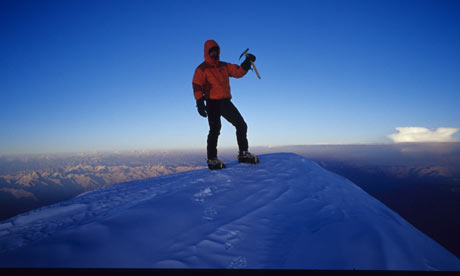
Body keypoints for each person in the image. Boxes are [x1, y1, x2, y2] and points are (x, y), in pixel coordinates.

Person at [192, 40, 258, 170]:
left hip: (225, 102)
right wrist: (199, 102)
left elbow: (237, 72)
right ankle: (212, 159)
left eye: (216, 50)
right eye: (212, 51)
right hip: (211, 102)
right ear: (207, 52)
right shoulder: (201, 69)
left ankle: (243, 154)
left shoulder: (224, 66)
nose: (214, 53)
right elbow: (197, 85)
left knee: (241, 124)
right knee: (215, 129)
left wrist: (246, 63)